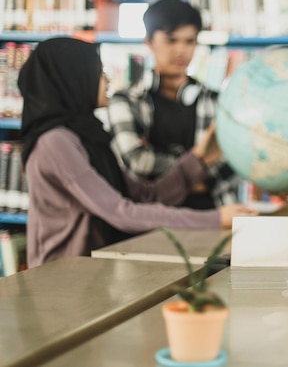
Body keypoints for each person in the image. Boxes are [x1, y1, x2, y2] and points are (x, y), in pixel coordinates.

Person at [18, 37, 256, 268]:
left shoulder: (88, 135)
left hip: (93, 272)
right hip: (60, 279)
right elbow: (120, 212)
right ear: (72, 79)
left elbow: (145, 196)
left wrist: (199, 159)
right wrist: (215, 219)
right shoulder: (54, 142)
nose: (108, 80)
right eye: (99, 73)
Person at [107, 0, 239, 210]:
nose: (181, 51)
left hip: (212, 216)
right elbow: (137, 164)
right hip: (148, 221)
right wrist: (200, 161)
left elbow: (231, 166)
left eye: (190, 41)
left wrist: (165, 170)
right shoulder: (126, 100)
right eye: (171, 40)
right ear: (148, 41)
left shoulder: (215, 101)